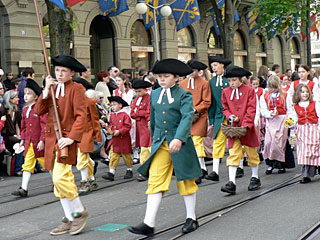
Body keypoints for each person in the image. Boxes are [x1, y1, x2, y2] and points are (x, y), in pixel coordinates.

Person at [128, 59, 202, 236]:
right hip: (160, 143)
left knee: (185, 179)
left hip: (180, 143)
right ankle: (148, 223)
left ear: (176, 77)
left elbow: (187, 117)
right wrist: (154, 139)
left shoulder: (184, 95)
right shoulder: (154, 94)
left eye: (165, 76)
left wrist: (179, 138)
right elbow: (152, 120)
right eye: (159, 76)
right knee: (155, 180)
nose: (161, 79)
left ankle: (191, 218)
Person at [34, 54, 88, 236]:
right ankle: (69, 217)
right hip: (51, 139)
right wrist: (46, 92)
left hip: (66, 140)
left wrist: (72, 137)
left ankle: (79, 211)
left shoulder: (77, 88)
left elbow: (81, 116)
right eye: (57, 70)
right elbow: (38, 110)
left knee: (60, 178)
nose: (59, 74)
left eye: (63, 71)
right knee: (57, 184)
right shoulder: (52, 87)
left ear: (72, 73)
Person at [220, 66, 261, 195]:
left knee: (251, 153)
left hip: (246, 128)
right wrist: (229, 116)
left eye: (233, 80)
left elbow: (251, 108)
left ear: (240, 79)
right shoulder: (225, 92)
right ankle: (231, 182)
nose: (231, 83)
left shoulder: (249, 91)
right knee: (233, 153)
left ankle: (255, 177)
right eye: (229, 81)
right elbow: (224, 107)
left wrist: (246, 124)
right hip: (233, 128)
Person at [11, 79, 47, 197]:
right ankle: (23, 188)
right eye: (25, 93)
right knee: (27, 165)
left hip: (39, 143)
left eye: (29, 94)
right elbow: (24, 127)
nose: (25, 96)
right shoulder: (25, 110)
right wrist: (22, 140)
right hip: (29, 143)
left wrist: (42, 140)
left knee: (47, 164)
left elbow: (44, 126)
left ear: (36, 97)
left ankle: (58, 182)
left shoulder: (40, 109)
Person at [180, 59, 212, 184]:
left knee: (197, 141)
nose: (191, 73)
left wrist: (195, 109)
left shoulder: (204, 83)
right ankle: (202, 167)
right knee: (189, 142)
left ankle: (199, 169)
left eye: (193, 70)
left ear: (199, 71)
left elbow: (207, 101)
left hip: (200, 116)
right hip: (186, 116)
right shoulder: (182, 83)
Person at [289, 84, 320, 183]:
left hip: (314, 129)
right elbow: (294, 118)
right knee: (305, 153)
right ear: (298, 93)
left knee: (316, 151)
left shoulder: (315, 103)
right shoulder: (295, 106)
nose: (305, 94)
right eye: (302, 92)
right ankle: (306, 174)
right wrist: (291, 123)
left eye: (307, 91)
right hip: (302, 131)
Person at [207, 56, 232, 182]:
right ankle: (215, 171)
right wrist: (211, 119)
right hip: (219, 117)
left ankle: (238, 166)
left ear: (222, 65)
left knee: (235, 143)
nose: (214, 68)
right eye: (212, 67)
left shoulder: (230, 79)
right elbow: (212, 102)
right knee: (217, 143)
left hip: (232, 117)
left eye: (215, 65)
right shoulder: (211, 82)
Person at [76, 83, 102, 194]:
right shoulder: (70, 102)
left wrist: (98, 135)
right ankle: (91, 177)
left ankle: (84, 181)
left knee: (81, 158)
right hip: (74, 134)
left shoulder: (90, 102)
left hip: (87, 133)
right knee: (84, 158)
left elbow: (95, 119)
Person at [260, 75, 288, 174]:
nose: (273, 90)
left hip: (281, 120)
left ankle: (280, 164)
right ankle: (269, 163)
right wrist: (269, 114)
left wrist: (289, 120)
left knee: (279, 143)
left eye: (275, 87)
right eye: (271, 87)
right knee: (268, 142)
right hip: (270, 120)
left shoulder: (285, 95)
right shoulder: (264, 96)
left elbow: (288, 108)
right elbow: (262, 109)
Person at [101, 96, 133, 181]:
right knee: (114, 155)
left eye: (114, 104)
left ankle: (129, 169)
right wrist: (110, 129)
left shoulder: (125, 115)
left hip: (124, 139)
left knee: (127, 155)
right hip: (115, 139)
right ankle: (111, 172)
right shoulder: (111, 115)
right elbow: (111, 124)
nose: (113, 107)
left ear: (120, 105)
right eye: (111, 105)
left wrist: (120, 131)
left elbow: (128, 126)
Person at [130, 80, 153, 182]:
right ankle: (145, 169)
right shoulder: (137, 99)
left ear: (145, 89)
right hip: (140, 127)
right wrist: (139, 113)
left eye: (139, 91)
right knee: (143, 148)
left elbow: (148, 112)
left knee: (148, 148)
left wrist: (138, 112)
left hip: (146, 126)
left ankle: (147, 169)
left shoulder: (149, 98)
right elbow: (132, 113)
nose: (138, 93)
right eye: (136, 91)